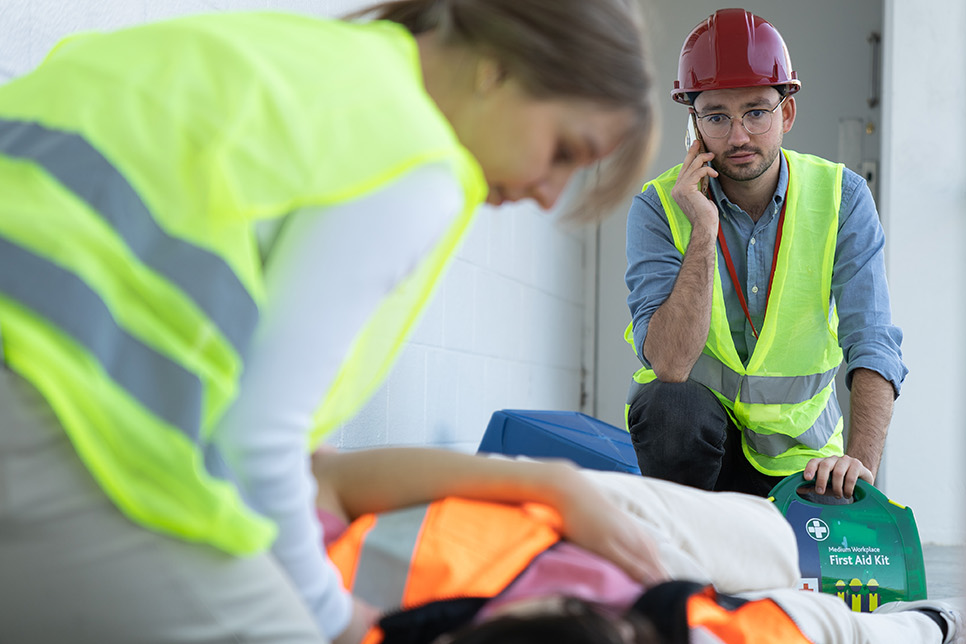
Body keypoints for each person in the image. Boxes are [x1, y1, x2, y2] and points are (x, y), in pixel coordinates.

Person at [0, 1, 658, 642]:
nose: (547, 196)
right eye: (565, 152)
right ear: (497, 72)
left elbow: (307, 467)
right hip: (43, 416)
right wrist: (333, 618)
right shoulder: (412, 157)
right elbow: (259, 445)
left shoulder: (300, 62)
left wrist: (550, 481)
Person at [624, 8, 905, 499]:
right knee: (667, 404)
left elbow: (874, 340)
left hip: (803, 459)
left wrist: (859, 465)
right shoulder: (658, 207)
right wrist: (702, 232)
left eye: (756, 112)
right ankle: (690, 546)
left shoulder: (842, 197)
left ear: (787, 114)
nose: (738, 137)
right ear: (694, 126)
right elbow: (669, 365)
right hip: (700, 459)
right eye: (716, 117)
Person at [311, 446, 966, 644]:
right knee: (808, 630)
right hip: (649, 615)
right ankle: (930, 626)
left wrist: (557, 484)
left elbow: (326, 474)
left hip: (576, 519)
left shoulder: (295, 563)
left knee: (772, 543)